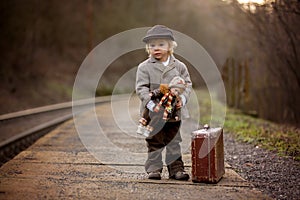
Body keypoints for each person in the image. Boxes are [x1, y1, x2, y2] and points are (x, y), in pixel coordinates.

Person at [135, 25, 192, 180]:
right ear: (148, 48)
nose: (156, 48)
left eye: (161, 44)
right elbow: (141, 88)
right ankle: (154, 168)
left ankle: (176, 169)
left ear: (170, 46)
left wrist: (183, 98)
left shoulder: (179, 66)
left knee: (173, 141)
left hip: (174, 113)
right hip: (153, 113)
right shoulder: (144, 67)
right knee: (154, 140)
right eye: (152, 45)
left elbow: (187, 84)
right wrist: (150, 104)